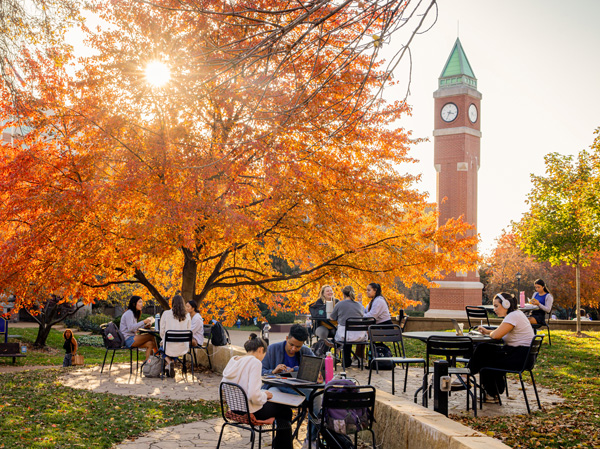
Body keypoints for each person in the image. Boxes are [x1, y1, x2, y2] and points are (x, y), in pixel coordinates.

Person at [221, 333, 293, 449]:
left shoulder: (233, 361)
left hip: (235, 408)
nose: (263, 357)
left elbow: (224, 387)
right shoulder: (254, 362)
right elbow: (254, 396)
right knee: (286, 411)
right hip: (252, 411)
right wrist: (264, 395)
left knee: (280, 409)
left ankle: (279, 445)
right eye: (264, 354)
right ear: (261, 350)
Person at [261, 324, 319, 449]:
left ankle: (311, 440)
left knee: (317, 398)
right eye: (291, 344)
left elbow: (315, 370)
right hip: (276, 386)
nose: (293, 349)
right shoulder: (272, 349)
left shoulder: (306, 351)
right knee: (275, 400)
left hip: (298, 390)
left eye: (298, 346)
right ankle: (282, 438)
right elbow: (261, 371)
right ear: (287, 338)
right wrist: (273, 371)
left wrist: (314, 374)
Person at [468, 292, 535, 400]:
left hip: (518, 357)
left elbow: (496, 335)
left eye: (496, 306)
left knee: (483, 350)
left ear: (506, 304)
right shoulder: (516, 314)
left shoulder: (512, 316)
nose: (494, 309)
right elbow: (501, 332)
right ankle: (492, 392)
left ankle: (466, 375)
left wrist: (490, 333)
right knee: (486, 351)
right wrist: (487, 331)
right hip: (523, 356)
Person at [331, 285, 366, 368]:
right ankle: (347, 360)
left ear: (343, 294)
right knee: (348, 333)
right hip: (359, 336)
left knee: (342, 334)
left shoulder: (339, 304)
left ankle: (344, 359)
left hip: (344, 336)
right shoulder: (359, 305)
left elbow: (332, 318)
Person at [159, 294, 191, 377]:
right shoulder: (187, 315)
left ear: (172, 303)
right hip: (183, 346)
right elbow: (189, 330)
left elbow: (162, 331)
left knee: (161, 348)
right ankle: (171, 363)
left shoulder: (166, 314)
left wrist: (163, 338)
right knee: (174, 346)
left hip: (169, 345)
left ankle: (169, 363)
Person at [119, 295, 158, 361]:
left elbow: (134, 328)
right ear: (134, 304)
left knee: (150, 344)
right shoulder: (129, 313)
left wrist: (144, 326)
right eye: (140, 302)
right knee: (151, 336)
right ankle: (159, 356)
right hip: (128, 340)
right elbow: (130, 328)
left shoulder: (133, 313)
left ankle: (148, 364)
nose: (142, 304)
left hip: (132, 338)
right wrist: (143, 321)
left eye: (142, 302)